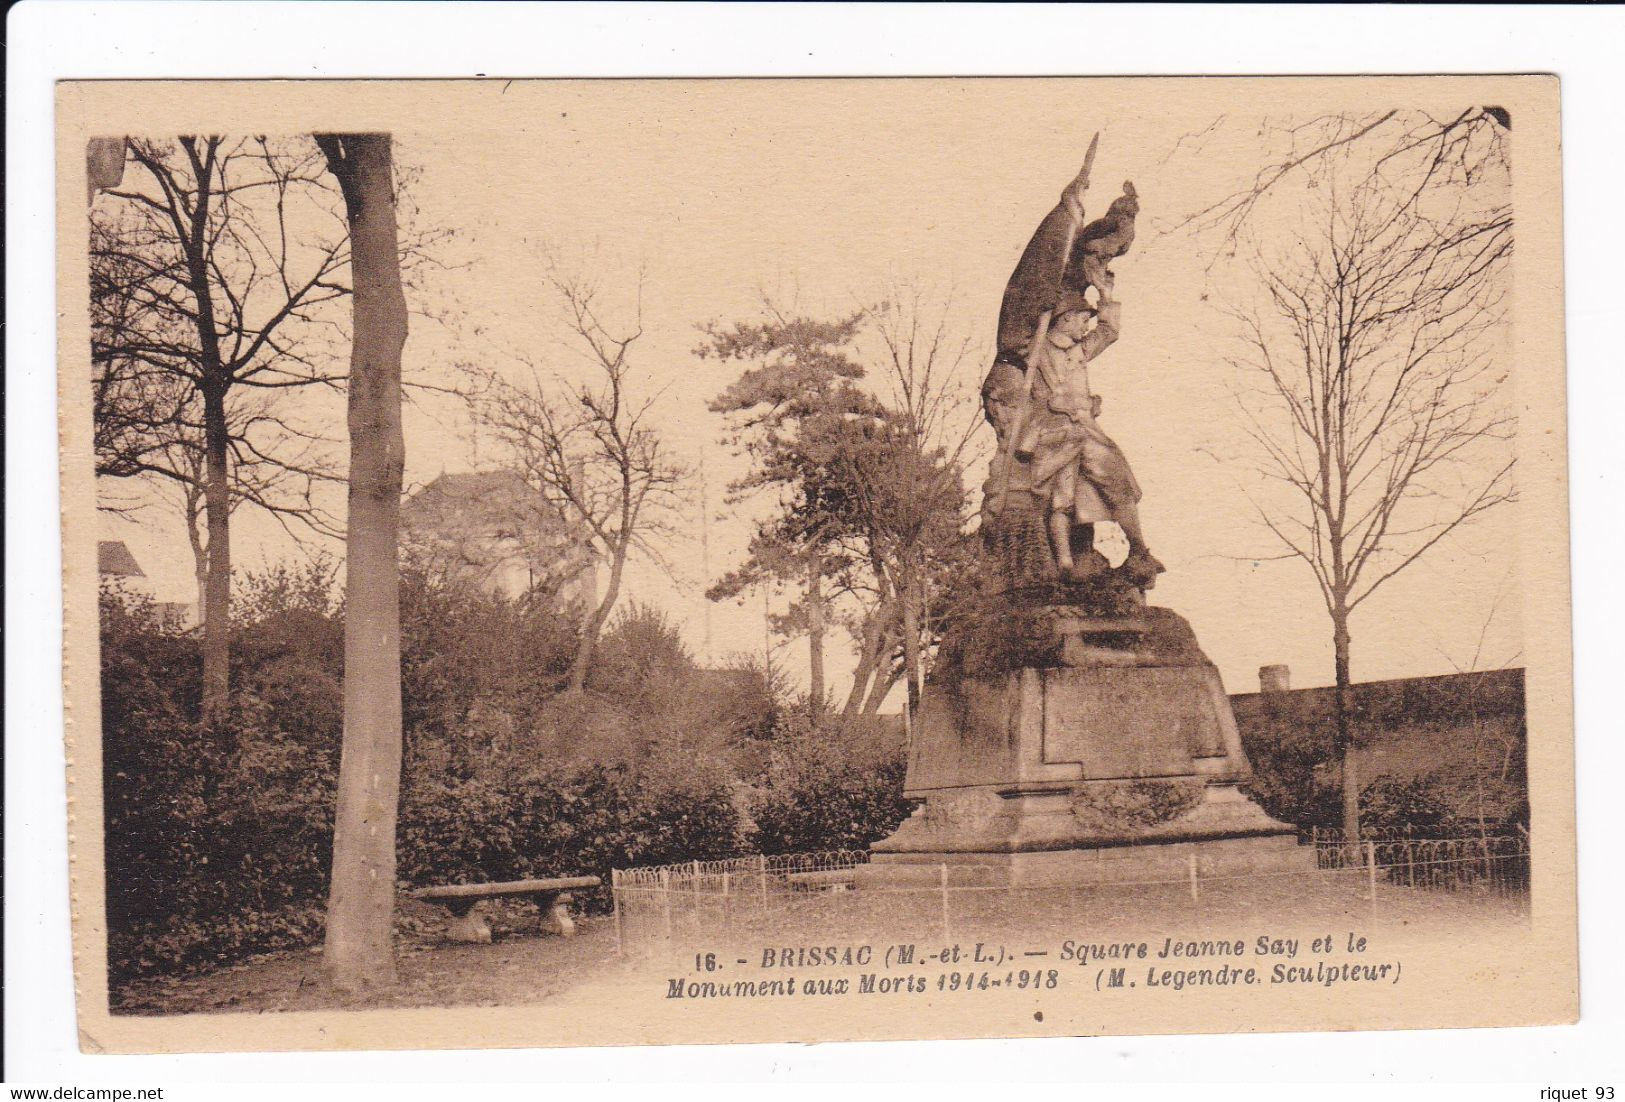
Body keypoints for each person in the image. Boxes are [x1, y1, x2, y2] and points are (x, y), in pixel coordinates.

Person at [981, 166, 1163, 588]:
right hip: (1053, 434)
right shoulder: (1037, 348)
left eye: (1086, 318)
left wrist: (1107, 297)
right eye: (1080, 317)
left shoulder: (1081, 350)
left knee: (1118, 479)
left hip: (1084, 430)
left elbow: (1110, 331)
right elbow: (1025, 309)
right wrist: (1067, 212)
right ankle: (1064, 561)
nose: (1085, 323)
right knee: (1060, 500)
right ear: (1062, 318)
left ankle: (1139, 552)